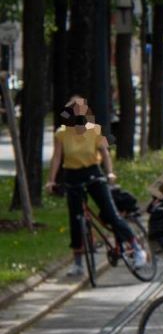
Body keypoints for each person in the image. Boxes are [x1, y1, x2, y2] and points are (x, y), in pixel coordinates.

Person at [48, 96, 142, 269]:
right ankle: (78, 263)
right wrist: (51, 181)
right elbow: (56, 158)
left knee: (111, 214)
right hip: (72, 175)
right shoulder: (61, 134)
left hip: (93, 173)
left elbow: (105, 154)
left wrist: (110, 173)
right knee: (76, 220)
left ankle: (136, 247)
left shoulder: (95, 130)